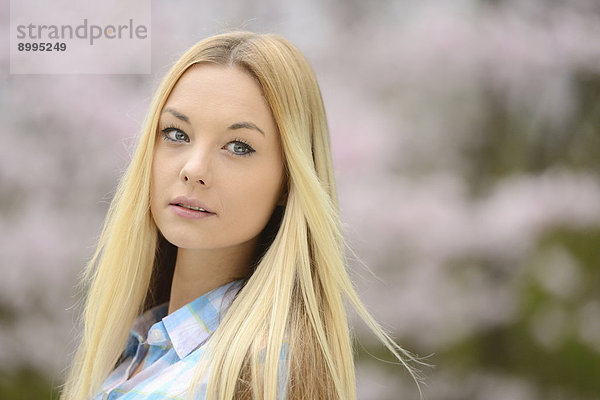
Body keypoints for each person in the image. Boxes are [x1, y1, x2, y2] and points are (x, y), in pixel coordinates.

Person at [60, 31, 421, 400]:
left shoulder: (256, 375)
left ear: (288, 181)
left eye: (238, 146)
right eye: (176, 134)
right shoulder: (136, 349)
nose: (194, 168)